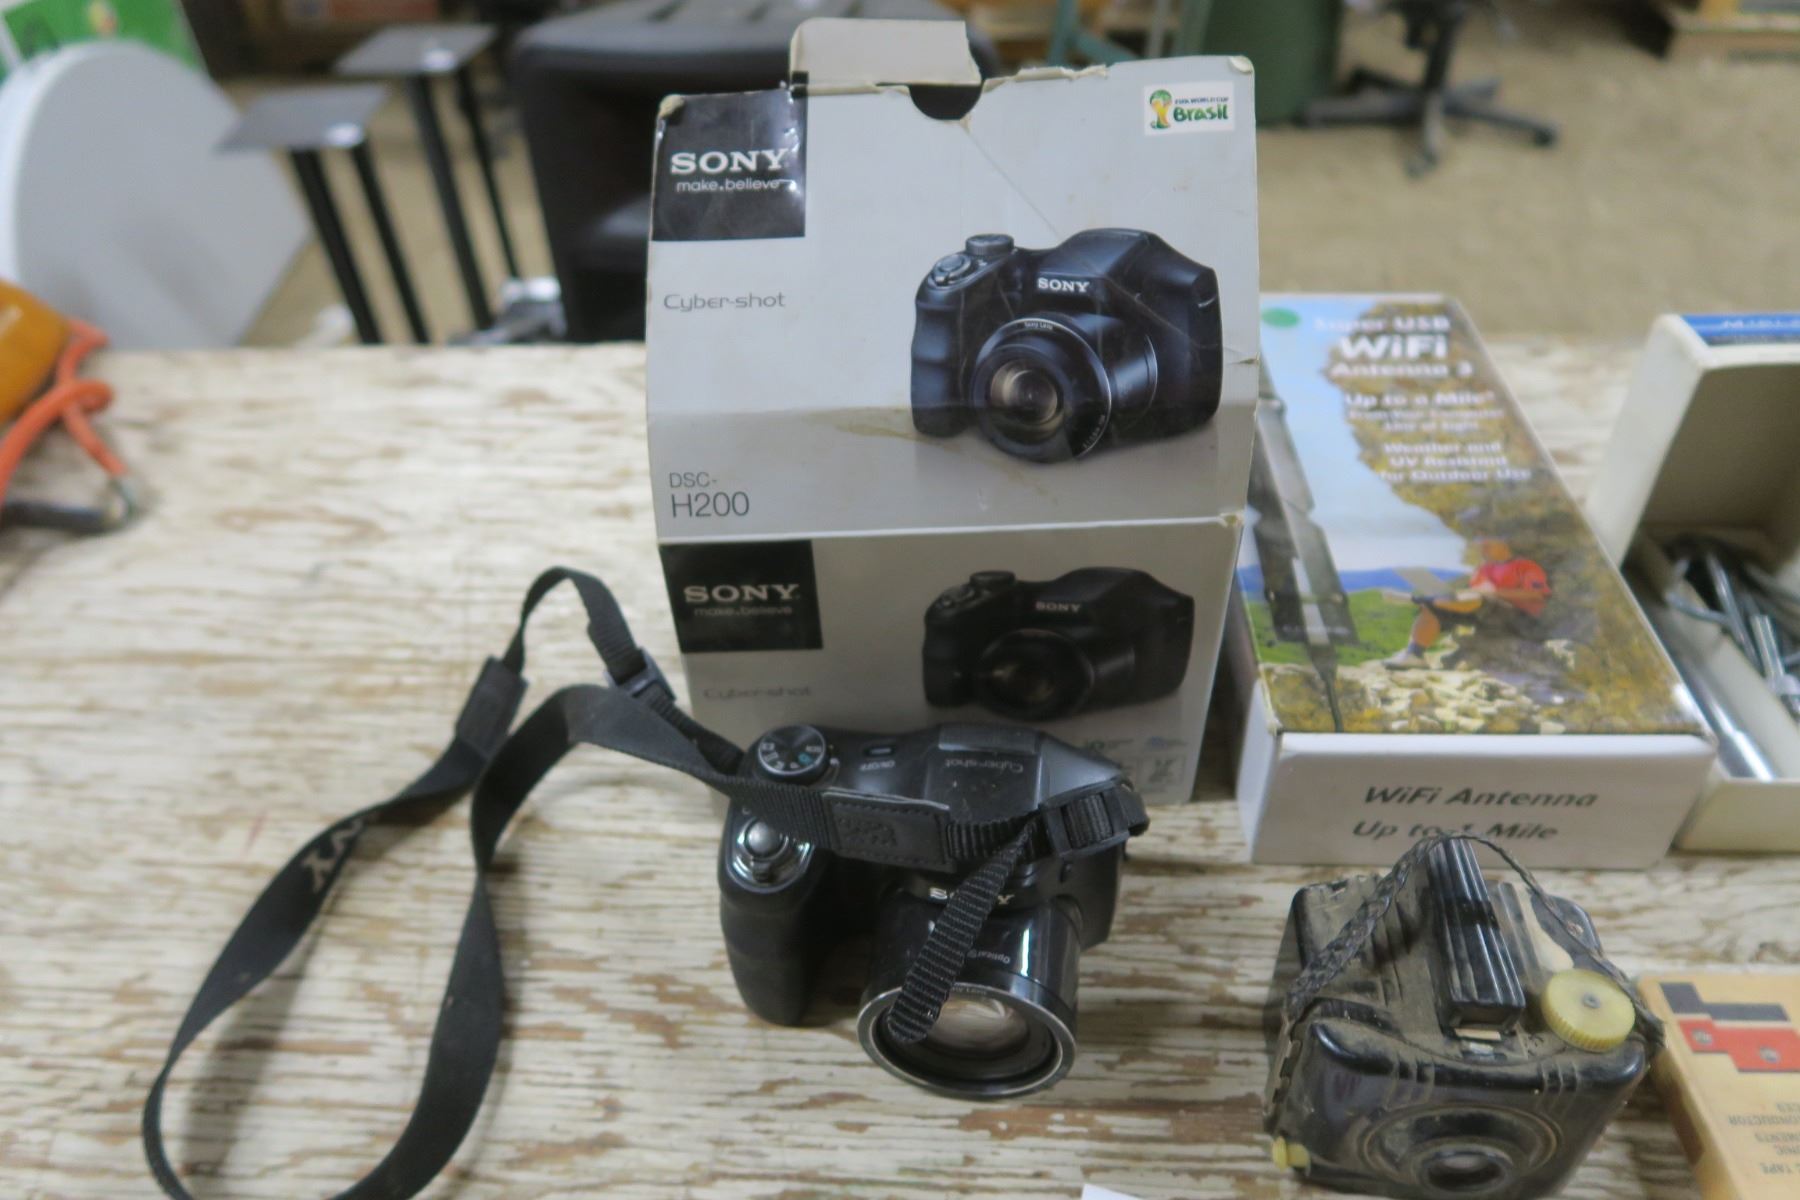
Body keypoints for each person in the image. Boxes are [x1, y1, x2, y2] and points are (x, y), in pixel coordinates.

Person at [1385, 536, 1551, 669]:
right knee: (1432, 607)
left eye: (1487, 544)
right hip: (1483, 615)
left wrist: (1492, 592)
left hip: (1519, 620)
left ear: (1503, 543)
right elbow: (1472, 597)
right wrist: (1455, 597)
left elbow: (1537, 595)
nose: (1482, 548)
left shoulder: (1525, 566)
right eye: (1481, 545)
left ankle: (1416, 599)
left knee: (1477, 598)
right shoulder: (1483, 569)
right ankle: (1414, 655)